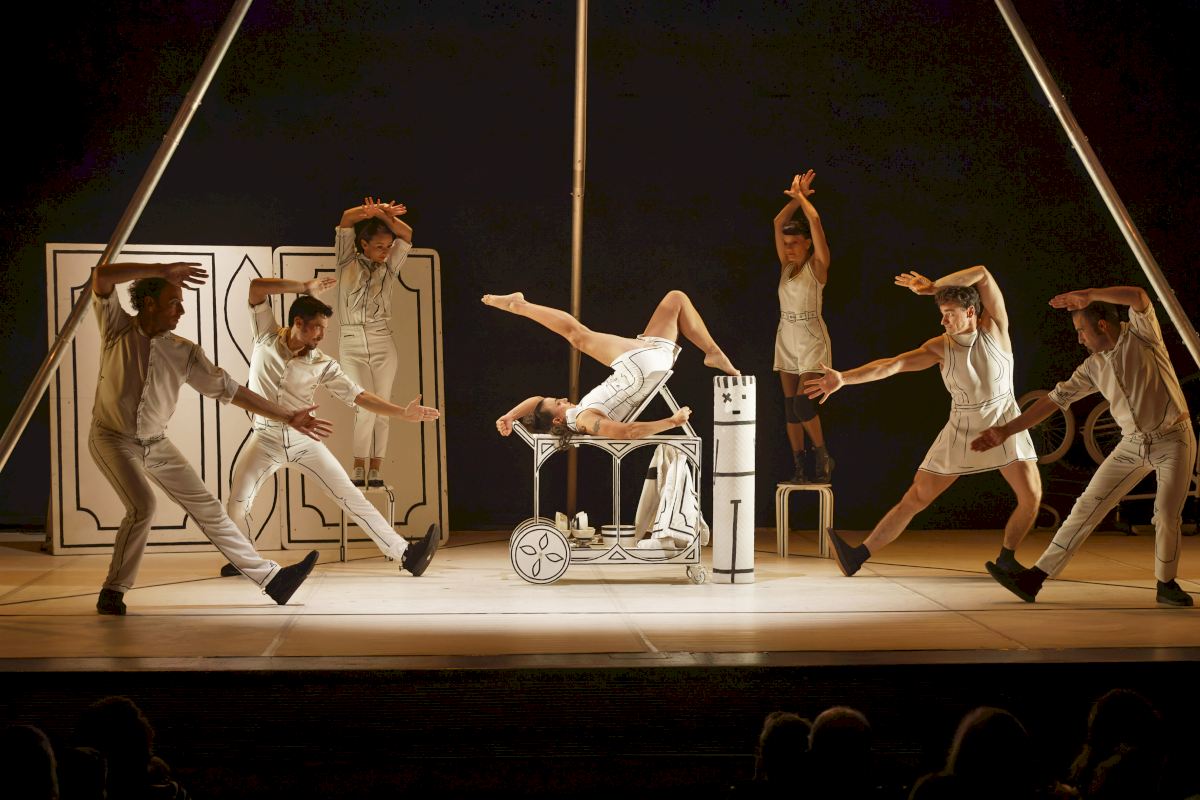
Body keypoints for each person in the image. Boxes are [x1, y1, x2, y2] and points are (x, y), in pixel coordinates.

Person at [89, 261, 330, 614]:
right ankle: (113, 591)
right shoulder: (117, 327)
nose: (181, 311)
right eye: (174, 302)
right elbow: (101, 276)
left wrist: (287, 416)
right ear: (149, 303)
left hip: (155, 443)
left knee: (210, 509)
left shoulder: (184, 351)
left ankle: (272, 580)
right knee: (143, 505)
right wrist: (161, 270)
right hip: (112, 438)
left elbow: (232, 391)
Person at [805, 265, 1041, 577]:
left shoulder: (995, 329)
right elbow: (893, 365)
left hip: (1003, 421)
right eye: (941, 314)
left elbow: (983, 273)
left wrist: (933, 287)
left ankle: (1006, 559)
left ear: (971, 311)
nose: (943, 321)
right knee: (917, 496)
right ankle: (857, 555)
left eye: (949, 314)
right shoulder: (941, 347)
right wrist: (844, 379)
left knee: (1031, 495)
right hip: (963, 429)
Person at [971, 286, 1195, 607]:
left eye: (1081, 330)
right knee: (1086, 506)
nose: (1079, 339)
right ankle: (1034, 579)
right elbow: (1053, 400)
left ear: (1102, 325)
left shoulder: (1142, 336)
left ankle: (1166, 584)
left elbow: (1139, 297)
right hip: (1132, 444)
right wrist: (1007, 430)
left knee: (1166, 515)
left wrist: (1090, 295)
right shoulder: (1092, 367)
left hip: (1174, 439)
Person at [224, 276, 442, 578]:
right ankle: (244, 561)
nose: (323, 335)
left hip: (304, 440)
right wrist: (303, 287)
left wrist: (402, 413)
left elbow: (359, 395)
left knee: (352, 497)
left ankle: (407, 554)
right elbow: (256, 288)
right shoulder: (265, 335)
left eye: (325, 329)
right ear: (298, 323)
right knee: (237, 502)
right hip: (264, 438)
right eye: (318, 327)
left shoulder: (323, 363)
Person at [485, 290, 738, 442]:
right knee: (578, 335)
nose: (562, 398)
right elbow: (628, 433)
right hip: (639, 369)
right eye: (558, 403)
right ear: (559, 421)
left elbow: (537, 402)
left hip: (649, 360)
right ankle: (518, 305)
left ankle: (713, 352)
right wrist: (672, 422)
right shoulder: (584, 420)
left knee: (676, 299)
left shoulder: (577, 413)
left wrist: (511, 416)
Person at [336, 196, 415, 489]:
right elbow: (347, 218)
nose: (385, 251)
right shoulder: (346, 260)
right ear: (363, 244)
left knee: (385, 407)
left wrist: (384, 215)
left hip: (383, 340)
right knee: (366, 405)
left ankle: (377, 467)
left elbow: (407, 234)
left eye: (388, 247)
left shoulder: (389, 266)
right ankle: (358, 465)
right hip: (351, 343)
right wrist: (371, 211)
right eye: (379, 246)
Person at [773, 170, 834, 483]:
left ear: (807, 243)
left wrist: (803, 199)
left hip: (810, 335)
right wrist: (794, 200)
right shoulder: (786, 267)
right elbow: (777, 222)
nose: (789, 248)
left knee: (802, 404)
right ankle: (799, 466)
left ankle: (822, 454)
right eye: (786, 243)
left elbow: (816, 222)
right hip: (786, 335)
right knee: (789, 408)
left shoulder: (817, 266)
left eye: (795, 243)